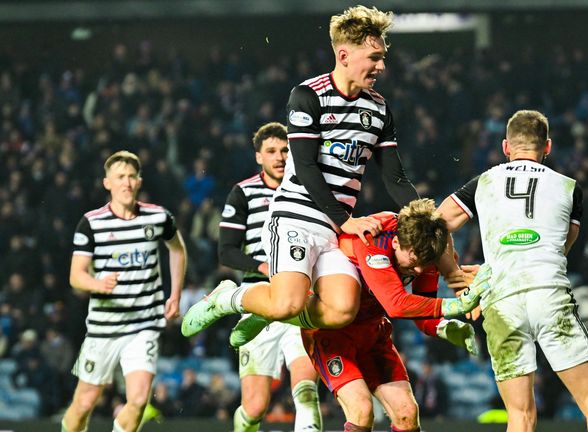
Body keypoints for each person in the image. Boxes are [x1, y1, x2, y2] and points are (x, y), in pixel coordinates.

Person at [181, 5, 437, 341]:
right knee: (288, 302)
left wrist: (424, 219)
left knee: (343, 310)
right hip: (296, 217)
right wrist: (346, 221)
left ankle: (268, 310)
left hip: (335, 227)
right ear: (344, 54)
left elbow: (395, 177)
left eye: (383, 57)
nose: (381, 66)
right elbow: (304, 166)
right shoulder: (308, 95)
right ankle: (228, 298)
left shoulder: (378, 108)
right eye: (374, 57)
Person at [437, 110, 588, 432]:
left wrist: (456, 277)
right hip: (547, 292)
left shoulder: (483, 182)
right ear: (547, 147)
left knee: (520, 416)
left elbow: (434, 227)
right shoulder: (568, 188)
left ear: (506, 146)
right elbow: (562, 249)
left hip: (501, 302)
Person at [301, 198, 480, 432]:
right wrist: (451, 306)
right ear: (396, 242)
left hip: (373, 333)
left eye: (424, 265)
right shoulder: (374, 235)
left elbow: (423, 311)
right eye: (414, 262)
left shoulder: (425, 251)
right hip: (331, 333)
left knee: (407, 413)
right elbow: (396, 304)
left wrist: (442, 327)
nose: (417, 271)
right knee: (362, 411)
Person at [62, 150, 187, 432]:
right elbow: (76, 275)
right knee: (83, 404)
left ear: (139, 181)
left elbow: (177, 250)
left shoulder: (158, 217)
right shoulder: (91, 223)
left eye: (131, 176)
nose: (126, 183)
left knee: (140, 399)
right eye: (120, 177)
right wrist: (98, 284)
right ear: (107, 183)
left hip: (144, 324)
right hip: (103, 327)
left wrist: (175, 294)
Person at [218, 122, 321, 432]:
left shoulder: (309, 188)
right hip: (259, 305)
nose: (279, 156)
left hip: (301, 301)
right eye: (272, 151)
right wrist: (262, 267)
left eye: (285, 150)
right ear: (258, 157)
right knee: (255, 408)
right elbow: (226, 252)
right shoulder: (243, 193)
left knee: (306, 390)